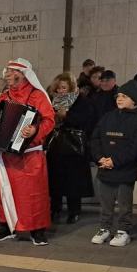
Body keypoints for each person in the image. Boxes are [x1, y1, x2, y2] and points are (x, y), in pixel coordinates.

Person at [0, 58, 56, 246]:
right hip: (7, 155)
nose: (7, 74)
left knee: (34, 194)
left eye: (12, 71)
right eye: (7, 71)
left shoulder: (38, 95)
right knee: (6, 192)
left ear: (23, 74)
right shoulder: (4, 97)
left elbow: (49, 121)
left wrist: (34, 131)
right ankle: (6, 226)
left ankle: (37, 230)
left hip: (31, 154)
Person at [89, 80, 137, 247]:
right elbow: (95, 139)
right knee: (106, 201)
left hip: (125, 170)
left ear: (135, 100)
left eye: (125, 96)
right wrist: (100, 158)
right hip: (105, 167)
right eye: (118, 96)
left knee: (124, 202)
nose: (120, 99)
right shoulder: (108, 116)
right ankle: (105, 227)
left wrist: (114, 161)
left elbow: (136, 147)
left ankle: (123, 230)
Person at [46, 73, 95, 224]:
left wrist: (66, 115)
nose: (61, 91)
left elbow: (86, 122)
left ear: (71, 87)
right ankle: (55, 209)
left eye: (64, 87)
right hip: (56, 146)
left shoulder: (81, 101)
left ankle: (74, 211)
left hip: (73, 146)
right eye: (58, 88)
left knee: (74, 181)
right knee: (54, 180)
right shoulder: (51, 101)